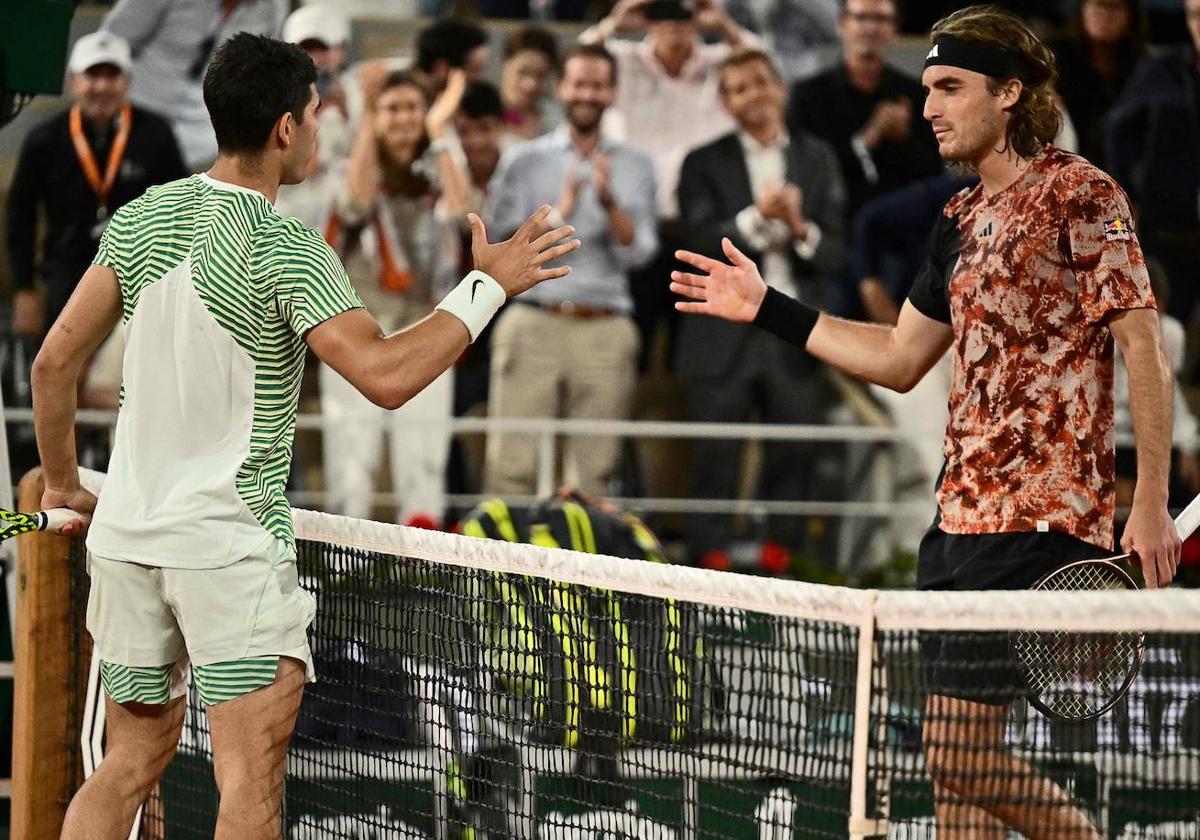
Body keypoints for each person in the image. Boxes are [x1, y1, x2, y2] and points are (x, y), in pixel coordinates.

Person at [31, 32, 578, 840]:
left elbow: (52, 365)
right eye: (317, 117)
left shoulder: (143, 218)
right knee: (248, 790)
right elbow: (386, 378)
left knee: (124, 768)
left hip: (128, 543)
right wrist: (486, 287)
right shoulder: (288, 248)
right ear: (286, 128)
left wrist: (62, 483)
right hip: (225, 555)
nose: (321, 133)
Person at [670, 7, 1179, 837]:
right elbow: (903, 358)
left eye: (950, 87)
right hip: (957, 520)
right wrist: (769, 307)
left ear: (1009, 93)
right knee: (958, 797)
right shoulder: (956, 219)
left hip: (1042, 520)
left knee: (956, 756)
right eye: (928, 88)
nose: (931, 105)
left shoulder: (1081, 193)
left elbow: (1142, 343)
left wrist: (1148, 493)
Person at [675, 48, 846, 567]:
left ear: (781, 88)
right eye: (740, 87)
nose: (754, 94)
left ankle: (786, 582)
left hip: (792, 330)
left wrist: (797, 226)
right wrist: (755, 218)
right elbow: (693, 241)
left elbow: (836, 250)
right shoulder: (702, 162)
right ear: (726, 103)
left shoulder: (817, 158)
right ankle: (706, 580)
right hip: (719, 333)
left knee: (794, 461)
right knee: (715, 461)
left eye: (761, 82)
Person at [486, 43, 657, 497]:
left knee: (594, 476)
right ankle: (499, 570)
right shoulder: (523, 161)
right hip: (533, 318)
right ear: (561, 88)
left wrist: (609, 204)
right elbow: (498, 249)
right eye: (579, 82)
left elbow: (640, 253)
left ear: (612, 92)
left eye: (598, 84)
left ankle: (576, 570)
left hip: (605, 324)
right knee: (510, 469)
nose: (587, 93)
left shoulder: (637, 166)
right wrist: (556, 214)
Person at [320, 69, 474, 527]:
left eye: (413, 108)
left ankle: (420, 573)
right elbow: (353, 206)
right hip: (358, 332)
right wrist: (367, 120)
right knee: (352, 461)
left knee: (423, 460)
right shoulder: (356, 165)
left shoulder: (440, 168)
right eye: (392, 109)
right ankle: (345, 569)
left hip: (429, 328)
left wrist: (440, 131)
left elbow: (467, 215)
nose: (403, 118)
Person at [579, 0, 755, 366]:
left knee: (697, 351)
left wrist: (725, 27)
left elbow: (769, 71)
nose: (674, 21)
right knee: (630, 346)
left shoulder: (723, 61)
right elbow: (577, 64)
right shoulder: (621, 59)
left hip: (704, 231)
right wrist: (615, 23)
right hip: (635, 227)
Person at [6, 31, 185, 346]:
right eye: (93, 74)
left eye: (112, 74)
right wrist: (24, 289)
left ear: (127, 81)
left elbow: (181, 212)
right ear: (73, 80)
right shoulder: (45, 139)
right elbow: (20, 214)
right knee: (62, 358)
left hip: (140, 270)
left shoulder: (156, 135)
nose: (102, 86)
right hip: (68, 268)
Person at [787, 0, 943, 223]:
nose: (870, 27)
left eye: (880, 19)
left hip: (903, 229)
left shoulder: (916, 93)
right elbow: (806, 173)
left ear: (895, 29)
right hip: (836, 227)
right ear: (842, 25)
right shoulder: (808, 96)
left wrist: (904, 138)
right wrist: (868, 138)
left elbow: (934, 172)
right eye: (861, 18)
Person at [101, 0, 286, 169]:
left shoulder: (272, 7)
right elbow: (111, 42)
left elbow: (262, 74)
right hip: (140, 104)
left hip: (205, 125)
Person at [1104, 0, 1200, 327]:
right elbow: (1117, 131)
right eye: (1196, 16)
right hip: (1168, 225)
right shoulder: (1162, 70)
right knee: (1165, 324)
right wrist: (1125, 197)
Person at [1052, 0, 1148, 167]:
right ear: (1082, 10)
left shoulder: (1144, 65)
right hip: (1066, 162)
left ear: (1131, 16)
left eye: (1114, 7)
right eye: (1098, 5)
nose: (1105, 14)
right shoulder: (1055, 58)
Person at [499, 26, 561, 144]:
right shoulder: (481, 116)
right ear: (505, 63)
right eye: (523, 72)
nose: (530, 85)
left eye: (541, 75)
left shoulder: (558, 124)